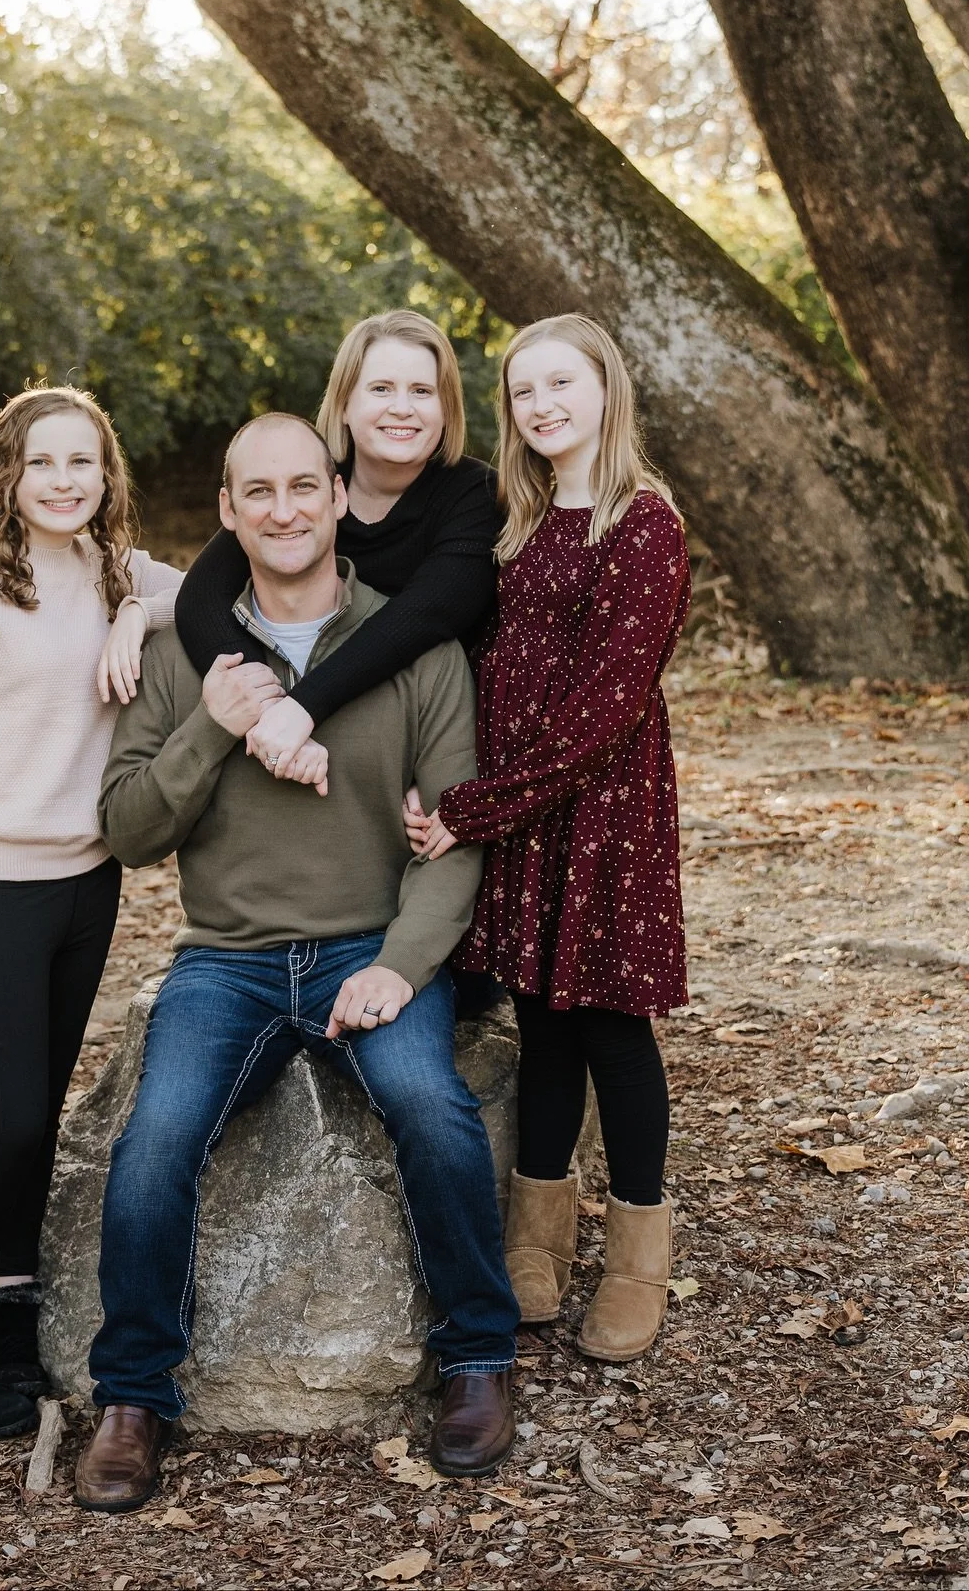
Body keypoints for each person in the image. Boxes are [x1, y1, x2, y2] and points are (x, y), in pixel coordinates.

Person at [74, 412, 519, 1512]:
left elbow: (455, 836)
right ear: (228, 511)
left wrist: (405, 967)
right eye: (256, 493)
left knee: (430, 1103)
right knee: (156, 1137)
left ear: (336, 498)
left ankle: (476, 1362)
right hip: (225, 960)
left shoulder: (416, 647)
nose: (282, 510)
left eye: (301, 488)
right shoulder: (188, 652)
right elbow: (128, 830)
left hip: (369, 945)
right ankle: (132, 1399)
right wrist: (213, 726)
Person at [0, 386, 182, 1438]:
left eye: (84, 463)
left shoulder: (116, 572)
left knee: (42, 1117)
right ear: (5, 476)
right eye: (43, 462)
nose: (65, 481)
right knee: (9, 1116)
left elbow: (216, 592)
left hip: (85, 883)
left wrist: (137, 611)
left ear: (106, 476)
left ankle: (13, 1306)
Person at [409, 315, 691, 1364]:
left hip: (602, 813)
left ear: (606, 388)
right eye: (523, 392)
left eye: (560, 384)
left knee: (611, 1025)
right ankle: (538, 1238)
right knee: (540, 1019)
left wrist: (472, 811)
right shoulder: (517, 519)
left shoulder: (644, 524)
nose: (541, 407)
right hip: (521, 812)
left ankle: (636, 1257)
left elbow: (603, 710)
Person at [174, 310, 501, 789]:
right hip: (315, 742)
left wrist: (302, 707)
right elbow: (200, 598)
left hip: (440, 743)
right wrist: (273, 714)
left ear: (447, 407)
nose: (403, 408)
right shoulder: (309, 489)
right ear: (345, 402)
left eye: (423, 392)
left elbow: (424, 616)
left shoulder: (476, 496)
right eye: (381, 389)